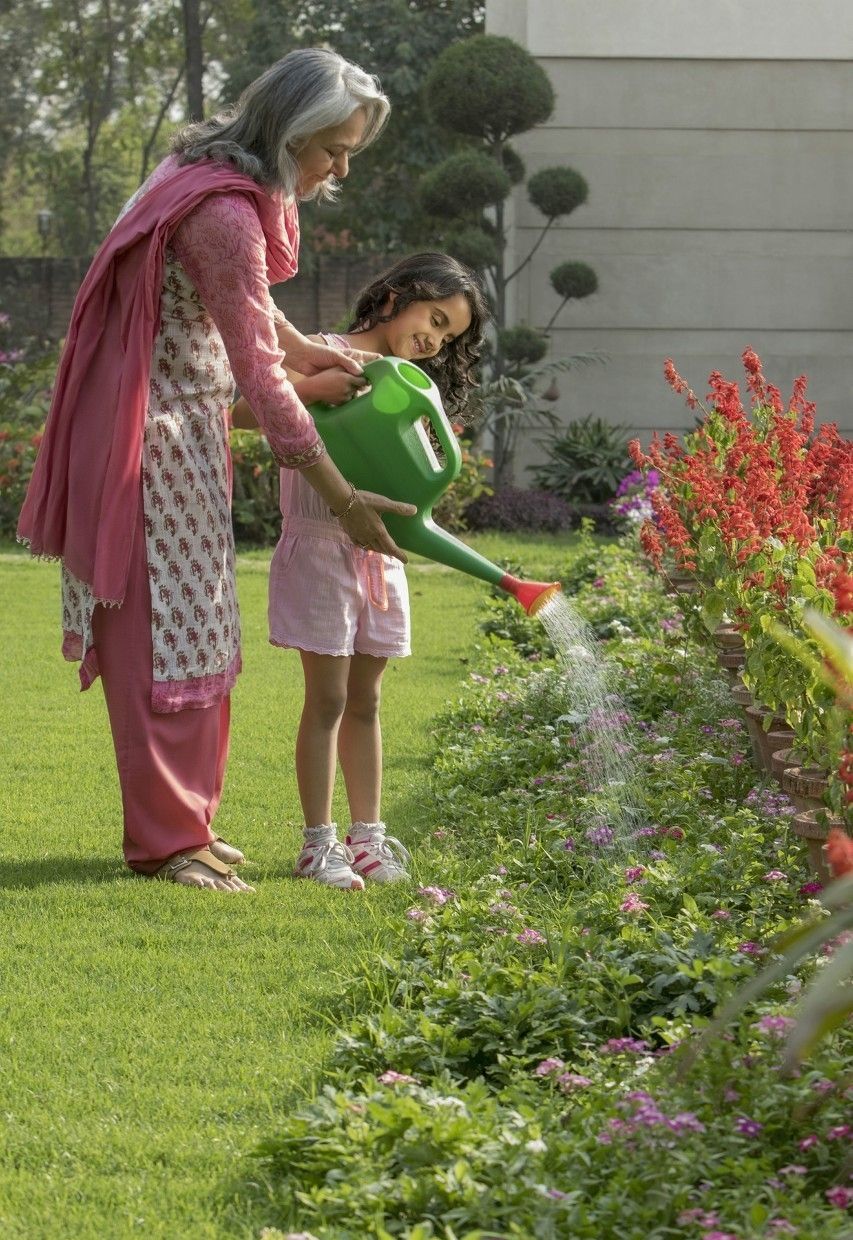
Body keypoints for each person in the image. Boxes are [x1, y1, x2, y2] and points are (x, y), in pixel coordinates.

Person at [17, 49, 416, 893]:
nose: (338, 170)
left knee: (198, 625)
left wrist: (314, 347)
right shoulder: (224, 211)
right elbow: (262, 379)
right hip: (149, 438)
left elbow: (248, 304)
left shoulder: (204, 175)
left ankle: (188, 821)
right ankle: (165, 841)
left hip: (178, 429)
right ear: (291, 132)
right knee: (165, 636)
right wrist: (342, 503)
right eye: (332, 150)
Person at [232, 253, 488, 889]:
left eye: (448, 336)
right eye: (433, 318)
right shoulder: (321, 350)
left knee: (367, 701)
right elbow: (243, 407)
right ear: (395, 297)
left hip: (377, 557)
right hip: (320, 544)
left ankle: (366, 838)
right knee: (327, 699)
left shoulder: (411, 384)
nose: (435, 340)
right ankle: (318, 844)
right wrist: (311, 387)